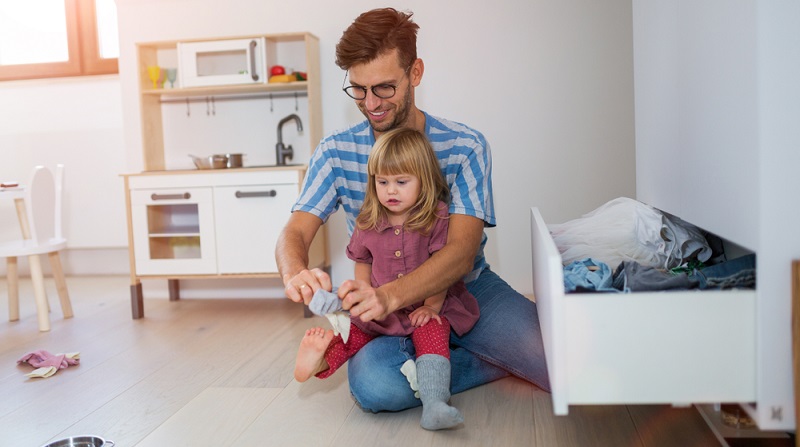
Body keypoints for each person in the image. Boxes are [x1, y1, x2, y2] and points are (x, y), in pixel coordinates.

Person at [275, 7, 551, 413]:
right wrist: (295, 272)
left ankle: (444, 358)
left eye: (384, 88)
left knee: (554, 359)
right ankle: (466, 358)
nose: (370, 103)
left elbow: (460, 250)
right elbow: (294, 232)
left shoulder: (465, 145)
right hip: (382, 308)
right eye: (358, 89)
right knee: (376, 389)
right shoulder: (335, 152)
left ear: (415, 72)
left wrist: (390, 296)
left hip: (466, 288)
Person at [294, 128, 479, 430]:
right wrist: (363, 296)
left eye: (401, 182)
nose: (391, 190)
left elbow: (441, 269)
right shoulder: (368, 220)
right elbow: (362, 262)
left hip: (423, 306)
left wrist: (432, 307)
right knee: (353, 334)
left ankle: (435, 405)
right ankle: (317, 361)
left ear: (424, 180)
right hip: (383, 310)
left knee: (431, 333)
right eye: (383, 182)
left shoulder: (436, 217)